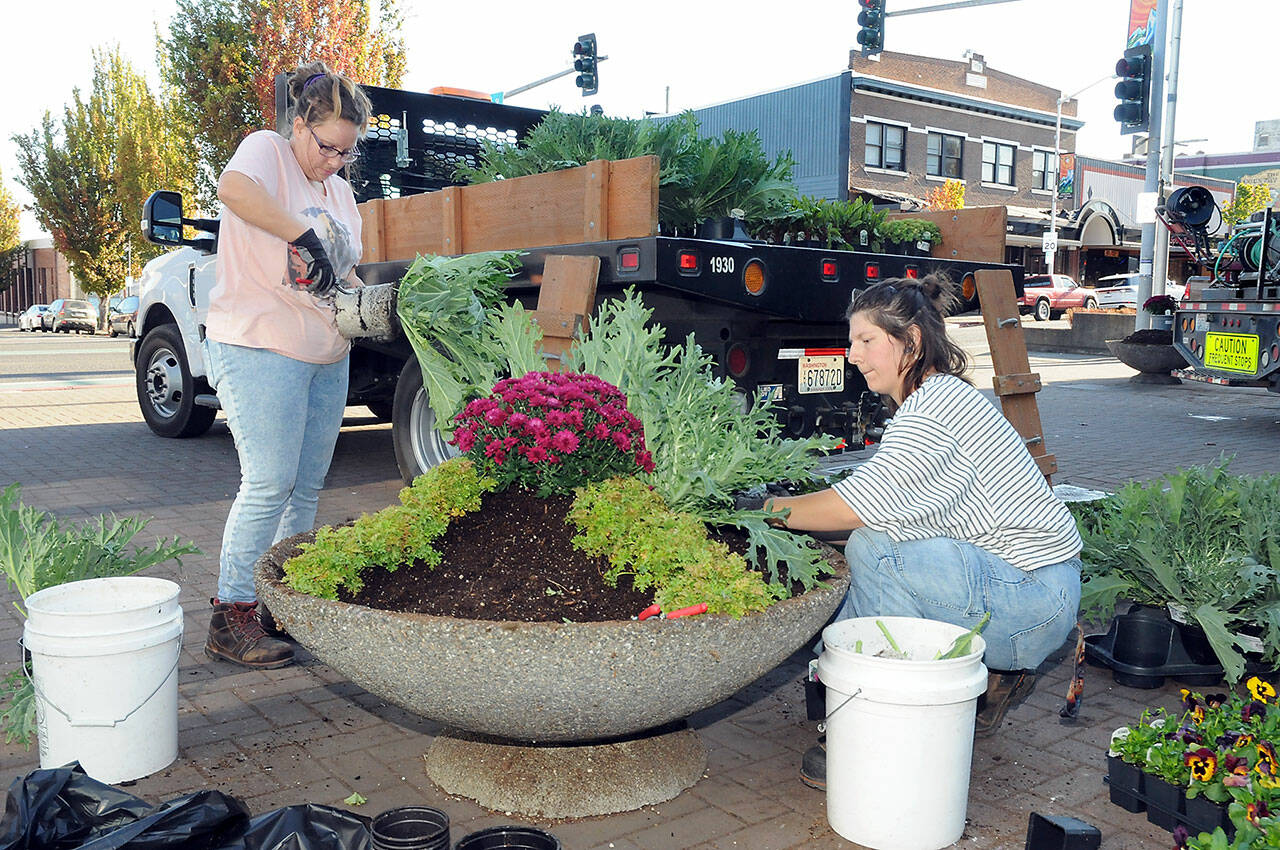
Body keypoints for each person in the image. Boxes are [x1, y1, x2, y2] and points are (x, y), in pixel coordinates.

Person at [762, 275, 1082, 789]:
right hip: (1027, 589)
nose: (852, 355)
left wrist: (760, 510)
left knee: (873, 551)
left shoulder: (934, 412)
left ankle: (877, 719)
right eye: (851, 342)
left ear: (910, 341)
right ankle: (983, 680)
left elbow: (856, 506)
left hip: (1031, 598)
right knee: (871, 548)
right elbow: (898, 503)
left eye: (866, 340)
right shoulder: (938, 398)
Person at [202, 62, 372, 668]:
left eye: (346, 153)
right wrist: (303, 237)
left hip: (326, 353)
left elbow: (345, 265)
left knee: (305, 488)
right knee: (269, 483)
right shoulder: (266, 152)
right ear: (300, 125)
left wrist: (367, 299)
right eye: (327, 146)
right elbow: (234, 192)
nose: (334, 161)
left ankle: (282, 605)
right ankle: (232, 614)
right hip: (259, 344)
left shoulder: (342, 191)